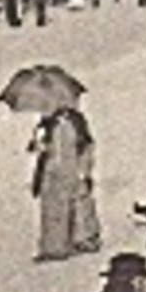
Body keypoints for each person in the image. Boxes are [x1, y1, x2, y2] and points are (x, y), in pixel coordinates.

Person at [31, 107, 102, 262]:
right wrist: (39, 141)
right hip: (52, 173)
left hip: (73, 169)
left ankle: (84, 240)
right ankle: (54, 247)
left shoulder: (76, 121)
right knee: (53, 209)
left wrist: (85, 170)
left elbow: (86, 146)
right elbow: (38, 149)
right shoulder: (46, 124)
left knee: (80, 205)